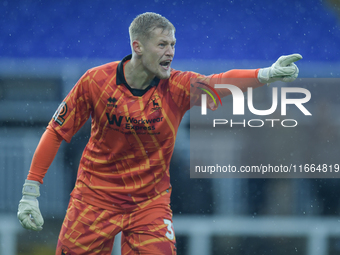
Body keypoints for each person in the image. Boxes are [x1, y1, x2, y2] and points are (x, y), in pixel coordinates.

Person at [17, 12, 302, 255]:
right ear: (138, 46)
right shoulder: (96, 81)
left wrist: (265, 74)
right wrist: (31, 190)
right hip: (94, 199)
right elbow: (56, 131)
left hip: (148, 205)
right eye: (162, 44)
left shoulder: (178, 87)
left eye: (173, 44)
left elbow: (216, 85)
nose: (170, 52)